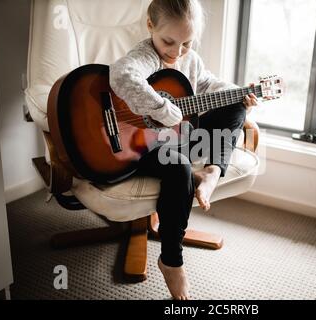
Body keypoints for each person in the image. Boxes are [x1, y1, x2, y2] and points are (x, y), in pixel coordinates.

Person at [109, 0, 258, 300]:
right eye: (169, 41)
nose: (177, 52)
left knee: (233, 107)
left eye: (187, 43)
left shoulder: (190, 60)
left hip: (179, 137)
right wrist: (163, 109)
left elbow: (206, 84)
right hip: (140, 142)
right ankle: (171, 262)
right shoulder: (145, 56)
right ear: (151, 26)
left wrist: (240, 93)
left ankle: (212, 171)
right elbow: (121, 75)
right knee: (178, 168)